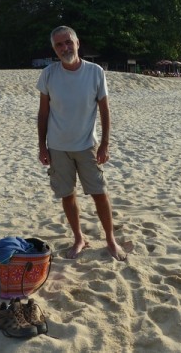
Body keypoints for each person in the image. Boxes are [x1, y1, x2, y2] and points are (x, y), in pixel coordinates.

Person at [36, 26, 126, 261]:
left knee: (99, 193)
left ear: (77, 43)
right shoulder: (48, 74)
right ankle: (79, 238)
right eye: (59, 45)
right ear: (54, 49)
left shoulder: (95, 72)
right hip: (58, 147)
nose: (65, 47)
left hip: (87, 145)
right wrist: (42, 146)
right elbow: (43, 113)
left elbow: (105, 111)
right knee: (67, 195)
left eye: (68, 42)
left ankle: (111, 240)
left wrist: (105, 144)